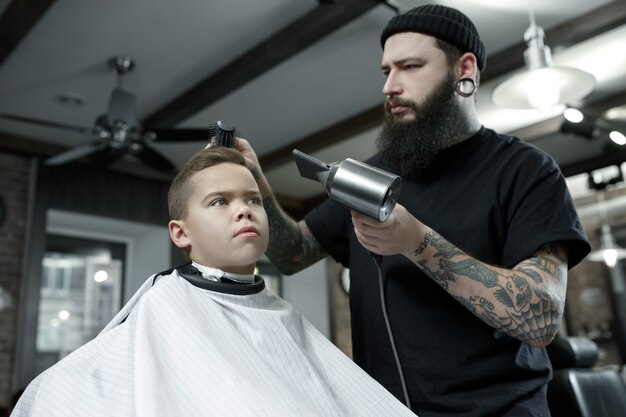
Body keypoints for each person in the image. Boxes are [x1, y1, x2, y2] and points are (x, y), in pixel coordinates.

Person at [229, 4, 591, 417]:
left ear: (464, 69)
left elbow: (540, 319)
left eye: (410, 66)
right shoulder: (368, 176)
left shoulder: (525, 170)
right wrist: (254, 180)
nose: (390, 86)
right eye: (386, 71)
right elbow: (291, 253)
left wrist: (416, 242)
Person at [11, 147, 416, 417]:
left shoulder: (279, 314)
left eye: (252, 200)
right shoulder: (164, 307)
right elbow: (55, 396)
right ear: (179, 233)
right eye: (220, 201)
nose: (243, 211)